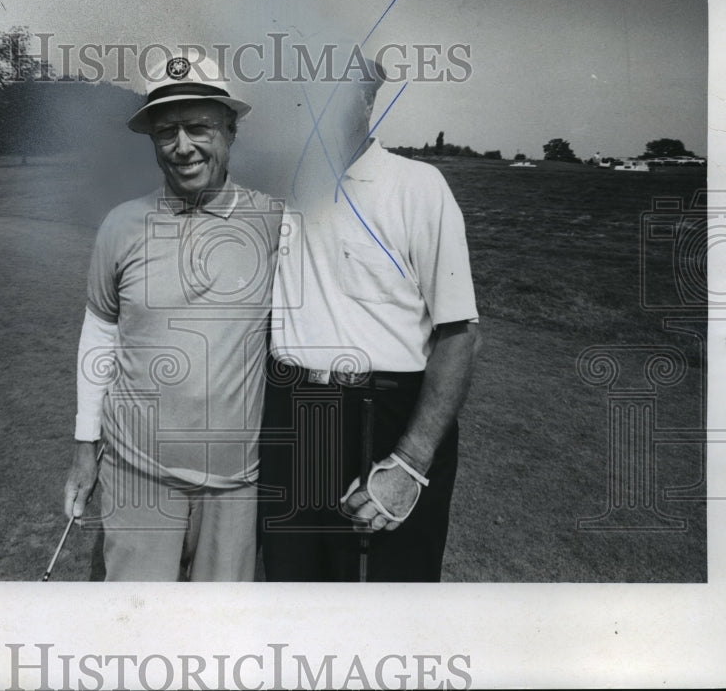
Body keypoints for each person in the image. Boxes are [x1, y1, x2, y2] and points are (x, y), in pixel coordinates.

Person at [63, 55, 281, 581]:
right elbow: (99, 335)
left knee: (219, 644)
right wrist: (84, 446)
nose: (183, 147)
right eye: (167, 132)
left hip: (236, 483)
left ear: (231, 130)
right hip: (137, 475)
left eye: (199, 127)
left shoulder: (277, 222)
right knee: (137, 638)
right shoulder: (120, 225)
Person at [259, 65, 480, 582]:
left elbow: (460, 335)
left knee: (388, 612)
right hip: (292, 418)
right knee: (294, 604)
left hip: (385, 420)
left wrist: (408, 465)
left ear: (369, 95)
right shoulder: (277, 192)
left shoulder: (418, 186)